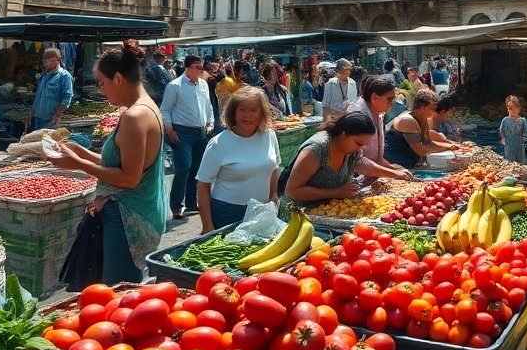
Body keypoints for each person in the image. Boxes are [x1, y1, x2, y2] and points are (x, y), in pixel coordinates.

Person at [47, 39, 167, 284]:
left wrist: (79, 165)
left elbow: (129, 178)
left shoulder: (134, 116)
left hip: (128, 219)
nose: (101, 91)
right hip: (137, 213)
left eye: (102, 83)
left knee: (118, 292)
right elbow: (124, 163)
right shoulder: (146, 108)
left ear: (119, 79)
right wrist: (82, 153)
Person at [195, 86, 281, 232]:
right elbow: (203, 185)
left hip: (262, 211)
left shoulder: (269, 135)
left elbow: (274, 167)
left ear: (262, 113)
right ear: (233, 112)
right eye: (242, 109)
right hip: (227, 213)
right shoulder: (218, 143)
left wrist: (273, 195)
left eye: (253, 110)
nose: (248, 116)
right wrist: (207, 225)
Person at [283, 111, 406, 202]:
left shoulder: (351, 150)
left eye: (364, 145)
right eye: (358, 143)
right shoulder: (315, 150)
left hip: (332, 210)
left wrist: (394, 173)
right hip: (303, 216)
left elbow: (363, 164)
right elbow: (293, 191)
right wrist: (335, 192)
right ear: (343, 133)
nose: (360, 149)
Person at [160, 55, 215, 220]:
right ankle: (176, 205)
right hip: (181, 132)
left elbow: (209, 107)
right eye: (197, 67)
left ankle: (191, 202)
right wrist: (169, 129)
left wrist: (210, 123)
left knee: (196, 169)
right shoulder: (175, 86)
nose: (200, 70)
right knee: (184, 167)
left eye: (201, 67)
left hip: (201, 132)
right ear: (188, 68)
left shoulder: (203, 84)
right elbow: (165, 109)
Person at [346, 75, 403, 173]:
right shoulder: (358, 116)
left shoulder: (379, 112)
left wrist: (393, 169)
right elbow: (357, 161)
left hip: (371, 173)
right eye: (389, 99)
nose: (392, 103)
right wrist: (393, 173)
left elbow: (378, 159)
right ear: (374, 97)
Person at [384, 90, 453, 169]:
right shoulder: (407, 120)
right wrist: (447, 149)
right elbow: (421, 151)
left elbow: (427, 142)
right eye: (432, 109)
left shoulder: (424, 119)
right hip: (393, 164)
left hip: (408, 162)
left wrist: (451, 146)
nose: (434, 113)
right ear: (422, 107)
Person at [32, 48, 74, 131]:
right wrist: (32, 113)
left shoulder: (64, 76)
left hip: (51, 120)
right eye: (44, 59)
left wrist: (58, 114)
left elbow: (67, 98)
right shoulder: (44, 75)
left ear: (58, 59)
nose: (45, 61)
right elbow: (38, 97)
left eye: (49, 59)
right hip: (38, 118)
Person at [499, 95, 527, 164]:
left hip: (519, 146)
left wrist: (524, 138)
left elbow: (526, 131)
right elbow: (501, 130)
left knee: (519, 163)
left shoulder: (522, 120)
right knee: (509, 163)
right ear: (507, 109)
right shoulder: (505, 120)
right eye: (510, 108)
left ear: (519, 109)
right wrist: (502, 138)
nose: (512, 110)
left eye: (514, 108)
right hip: (508, 145)